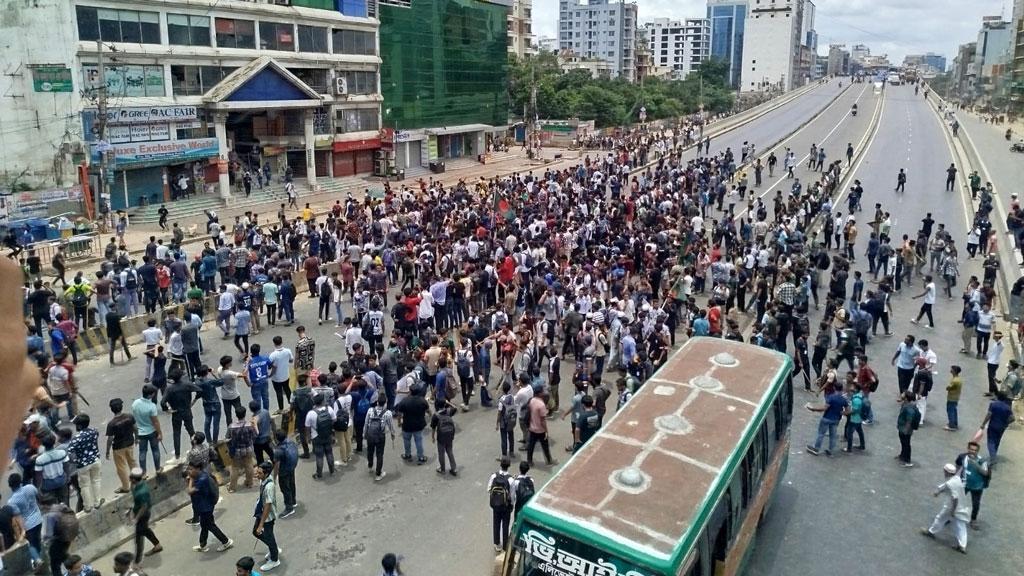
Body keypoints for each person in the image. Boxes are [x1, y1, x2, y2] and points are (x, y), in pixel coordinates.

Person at [921, 463, 969, 553]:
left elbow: (955, 498)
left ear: (946, 472)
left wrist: (952, 510)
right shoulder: (957, 479)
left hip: (951, 506)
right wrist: (939, 492)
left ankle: (931, 531)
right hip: (961, 507)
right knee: (961, 525)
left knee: (940, 518)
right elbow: (946, 486)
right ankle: (962, 545)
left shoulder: (950, 483)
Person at [187, 461, 233, 553]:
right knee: (204, 525)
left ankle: (226, 541)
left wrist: (191, 480)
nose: (189, 471)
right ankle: (202, 544)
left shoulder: (202, 479)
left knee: (210, 525)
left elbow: (190, 491)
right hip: (204, 506)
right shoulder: (202, 475)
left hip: (205, 507)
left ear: (197, 469)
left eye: (191, 469)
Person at [7, 473, 44, 570]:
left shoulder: (12, 501)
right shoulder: (30, 487)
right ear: (20, 481)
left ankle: (37, 559)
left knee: (30, 544)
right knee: (37, 540)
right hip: (38, 518)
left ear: (11, 486)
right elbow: (39, 496)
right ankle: (39, 559)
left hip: (28, 524)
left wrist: (22, 530)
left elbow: (18, 517)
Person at [68, 414, 103, 513]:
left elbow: (70, 452)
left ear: (79, 426)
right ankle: (97, 502)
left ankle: (87, 506)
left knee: (85, 486)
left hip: (83, 465)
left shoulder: (76, 439)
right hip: (95, 460)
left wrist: (74, 461)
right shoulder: (94, 432)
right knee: (96, 480)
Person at [129, 468, 162, 565]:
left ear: (134, 479)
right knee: (145, 530)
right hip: (140, 512)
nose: (129, 478)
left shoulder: (141, 492)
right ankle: (157, 545)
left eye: (131, 477)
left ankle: (137, 561)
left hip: (143, 515)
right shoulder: (139, 484)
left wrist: (136, 518)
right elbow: (133, 493)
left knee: (138, 539)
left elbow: (144, 507)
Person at [955, 441, 990, 530]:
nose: (972, 451)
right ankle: (951, 514)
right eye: (971, 449)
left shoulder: (982, 460)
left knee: (975, 504)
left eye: (975, 450)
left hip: (977, 486)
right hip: (964, 484)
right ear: (968, 449)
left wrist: (975, 464)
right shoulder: (962, 457)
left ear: (977, 451)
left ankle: (973, 519)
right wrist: (956, 476)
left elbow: (985, 473)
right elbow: (958, 465)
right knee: (956, 499)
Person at [805, 383, 848, 457]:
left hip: (827, 417)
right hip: (836, 419)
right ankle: (831, 451)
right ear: (841, 389)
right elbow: (848, 411)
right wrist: (841, 413)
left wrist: (813, 409)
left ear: (834, 388)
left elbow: (825, 408)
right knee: (833, 435)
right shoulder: (843, 400)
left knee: (821, 434)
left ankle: (816, 449)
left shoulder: (831, 397)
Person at [253, 461, 281, 572]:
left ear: (266, 473)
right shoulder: (263, 480)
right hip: (261, 512)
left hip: (267, 516)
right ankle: (273, 548)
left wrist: (261, 524)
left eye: (259, 473)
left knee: (266, 535)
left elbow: (268, 507)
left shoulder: (269, 486)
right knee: (256, 532)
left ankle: (274, 559)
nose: (257, 475)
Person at [104, 398, 137, 494]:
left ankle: (126, 487)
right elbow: (135, 428)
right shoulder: (129, 416)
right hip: (130, 443)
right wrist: (137, 438)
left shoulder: (112, 424)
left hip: (118, 447)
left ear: (112, 409)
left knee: (121, 467)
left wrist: (107, 451)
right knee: (132, 462)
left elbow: (110, 438)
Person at [394, 384, 429, 464]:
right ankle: (421, 457)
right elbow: (428, 410)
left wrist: (399, 422)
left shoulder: (404, 401)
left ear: (410, 391)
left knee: (406, 440)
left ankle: (407, 454)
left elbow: (399, 413)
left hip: (407, 425)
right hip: (418, 425)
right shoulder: (422, 400)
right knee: (418, 441)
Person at [131, 385, 162, 475]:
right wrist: (160, 433)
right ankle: (158, 469)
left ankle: (143, 473)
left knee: (142, 452)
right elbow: (155, 422)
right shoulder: (151, 406)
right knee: (155, 450)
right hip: (152, 431)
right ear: (150, 395)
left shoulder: (135, 403)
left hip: (140, 432)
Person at [363, 396, 395, 481]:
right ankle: (378, 473)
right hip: (380, 436)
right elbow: (391, 425)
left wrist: (364, 434)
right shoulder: (388, 413)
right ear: (385, 403)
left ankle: (370, 466)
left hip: (370, 434)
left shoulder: (370, 410)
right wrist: (393, 434)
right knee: (379, 454)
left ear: (377, 402)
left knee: (370, 451)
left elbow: (366, 423)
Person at [305, 394, 336, 479]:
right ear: (322, 401)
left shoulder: (311, 413)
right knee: (329, 453)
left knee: (319, 456)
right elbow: (334, 420)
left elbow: (307, 427)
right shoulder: (329, 409)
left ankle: (319, 474)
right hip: (328, 435)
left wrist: (308, 437)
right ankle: (332, 470)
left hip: (316, 437)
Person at [487, 456, 514, 553]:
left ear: (500, 464)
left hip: (496, 505)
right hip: (506, 506)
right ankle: (505, 546)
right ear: (509, 466)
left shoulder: (494, 476)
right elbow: (512, 495)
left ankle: (497, 543)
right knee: (505, 525)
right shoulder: (510, 480)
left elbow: (489, 489)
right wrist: (511, 504)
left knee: (496, 523)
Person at [978, 391, 1013, 463]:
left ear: (998, 397)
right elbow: (1012, 418)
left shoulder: (993, 405)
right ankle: (994, 453)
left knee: (990, 441)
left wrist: (983, 424)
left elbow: (989, 415)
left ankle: (993, 457)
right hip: (1001, 427)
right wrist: (1006, 423)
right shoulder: (1007, 408)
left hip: (993, 426)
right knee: (997, 441)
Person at [227, 406, 256, 492]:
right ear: (245, 414)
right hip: (248, 448)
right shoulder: (250, 425)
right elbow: (254, 436)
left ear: (236, 415)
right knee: (249, 465)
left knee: (234, 468)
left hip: (236, 450)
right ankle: (249, 482)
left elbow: (227, 438)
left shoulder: (231, 427)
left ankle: (232, 487)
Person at [271, 429, 298, 518]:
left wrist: (274, 477)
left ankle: (289, 508)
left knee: (285, 489)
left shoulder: (278, 451)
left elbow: (276, 466)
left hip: (284, 471)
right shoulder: (291, 442)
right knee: (292, 484)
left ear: (277, 439)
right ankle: (293, 501)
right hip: (291, 467)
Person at [525, 392, 557, 467]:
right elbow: (543, 421)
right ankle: (549, 461)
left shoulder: (533, 400)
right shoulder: (542, 405)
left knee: (531, 445)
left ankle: (529, 461)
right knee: (545, 446)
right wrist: (546, 431)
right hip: (540, 430)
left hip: (532, 428)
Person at [431, 404, 457, 476]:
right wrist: (448, 402)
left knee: (441, 453)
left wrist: (433, 437)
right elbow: (455, 407)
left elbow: (433, 428)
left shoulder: (436, 416)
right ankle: (454, 468)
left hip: (441, 437)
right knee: (449, 451)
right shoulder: (449, 412)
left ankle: (442, 469)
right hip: (449, 435)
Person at [896, 391, 921, 467]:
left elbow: (909, 420)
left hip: (905, 429)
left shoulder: (909, 408)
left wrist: (906, 429)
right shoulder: (906, 404)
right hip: (902, 427)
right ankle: (902, 455)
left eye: (904, 394)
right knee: (903, 442)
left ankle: (907, 460)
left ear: (906, 398)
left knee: (906, 443)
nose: (902, 395)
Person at [944, 365, 962, 431]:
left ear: (954, 371)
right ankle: (954, 423)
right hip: (955, 397)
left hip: (952, 397)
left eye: (952, 369)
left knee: (950, 410)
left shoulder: (955, 381)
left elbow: (949, 388)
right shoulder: (957, 379)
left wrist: (947, 387)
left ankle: (952, 425)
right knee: (954, 410)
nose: (950, 370)